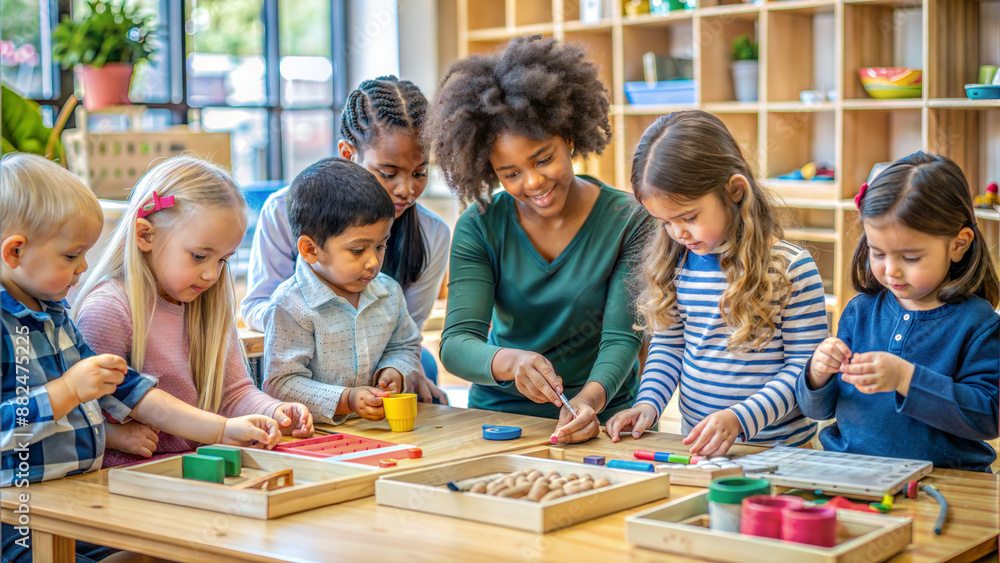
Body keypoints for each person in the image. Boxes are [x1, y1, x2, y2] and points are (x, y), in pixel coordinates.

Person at [1, 153, 281, 562]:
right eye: (70, 256)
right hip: (18, 515)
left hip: (70, 500)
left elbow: (136, 394)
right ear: (15, 252)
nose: (83, 269)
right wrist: (67, 391)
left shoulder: (56, 317)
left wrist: (223, 430)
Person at [428, 36, 654, 443]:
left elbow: (623, 337)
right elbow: (457, 343)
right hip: (498, 419)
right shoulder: (479, 225)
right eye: (510, 173)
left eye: (543, 159)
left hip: (604, 419)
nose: (533, 183)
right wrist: (508, 362)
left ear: (569, 139)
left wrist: (588, 401)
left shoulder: (629, 219)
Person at [605, 110, 828, 457]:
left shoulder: (792, 269)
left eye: (689, 217)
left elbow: (802, 370)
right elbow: (668, 347)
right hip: (700, 449)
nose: (678, 233)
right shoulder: (673, 265)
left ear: (734, 190)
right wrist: (647, 405)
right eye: (664, 222)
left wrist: (739, 419)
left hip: (778, 451)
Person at [75, 156, 313, 466]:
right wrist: (112, 434)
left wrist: (272, 412)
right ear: (145, 235)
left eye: (222, 260)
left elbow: (233, 393)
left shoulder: (207, 303)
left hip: (201, 465)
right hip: (127, 480)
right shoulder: (108, 309)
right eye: (199, 256)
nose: (212, 275)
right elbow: (81, 415)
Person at [241, 76, 449, 403]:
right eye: (389, 172)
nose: (406, 190)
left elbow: (406, 333)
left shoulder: (432, 233)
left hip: (378, 359)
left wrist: (397, 370)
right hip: (302, 355)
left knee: (424, 368)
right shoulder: (284, 209)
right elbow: (256, 305)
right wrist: (325, 326)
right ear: (347, 154)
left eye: (419, 173)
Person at [796, 152, 999, 472]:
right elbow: (818, 410)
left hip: (945, 483)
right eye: (878, 253)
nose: (891, 271)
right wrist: (817, 374)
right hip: (851, 473)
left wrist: (906, 378)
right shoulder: (859, 312)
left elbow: (988, 417)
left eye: (911, 257)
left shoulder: (978, 322)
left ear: (958, 245)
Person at [262, 157, 423, 425]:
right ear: (310, 249)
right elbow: (281, 384)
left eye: (381, 246)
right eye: (358, 250)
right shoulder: (291, 305)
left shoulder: (388, 292)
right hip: (318, 436)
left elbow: (405, 344)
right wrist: (345, 399)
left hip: (378, 429)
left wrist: (394, 369)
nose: (373, 262)